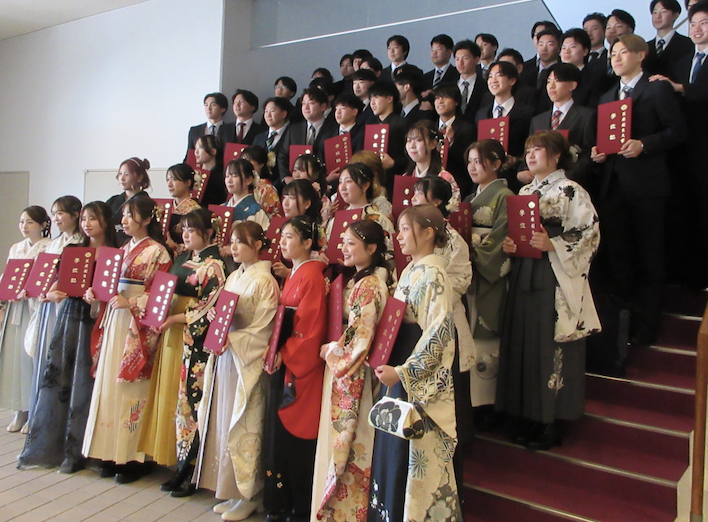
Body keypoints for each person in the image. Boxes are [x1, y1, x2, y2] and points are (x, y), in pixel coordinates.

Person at [498, 131, 601, 450]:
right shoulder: (525, 190)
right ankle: (528, 414)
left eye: (538, 150)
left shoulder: (571, 189)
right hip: (526, 269)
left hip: (554, 272)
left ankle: (551, 420)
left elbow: (589, 233)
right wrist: (512, 244)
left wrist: (553, 243)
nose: (530, 155)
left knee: (549, 341)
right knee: (526, 339)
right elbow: (520, 232)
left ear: (557, 155)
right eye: (527, 150)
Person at [591, 34, 686, 346]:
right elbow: (604, 139)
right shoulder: (607, 97)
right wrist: (598, 152)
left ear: (641, 55)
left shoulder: (656, 88)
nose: (616, 58)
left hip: (647, 186)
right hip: (613, 186)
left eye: (622, 52)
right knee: (619, 256)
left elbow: (677, 131)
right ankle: (622, 324)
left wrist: (645, 144)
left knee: (649, 256)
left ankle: (648, 326)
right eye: (613, 54)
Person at [368, 204, 460, 522]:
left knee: (411, 451)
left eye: (406, 229)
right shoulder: (410, 270)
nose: (399, 236)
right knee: (392, 448)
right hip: (398, 367)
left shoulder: (434, 274)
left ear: (428, 232)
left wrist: (404, 372)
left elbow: (438, 333)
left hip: (412, 375)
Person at [18, 202, 116, 473]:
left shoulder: (116, 253)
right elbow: (54, 284)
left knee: (92, 381)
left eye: (92, 219)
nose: (87, 224)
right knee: (65, 378)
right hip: (72, 317)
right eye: (84, 219)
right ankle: (65, 448)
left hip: (102, 320)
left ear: (106, 221)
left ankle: (91, 449)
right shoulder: (74, 250)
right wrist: (50, 294)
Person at [82, 195, 172, 484]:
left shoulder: (159, 252)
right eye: (123, 215)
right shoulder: (122, 249)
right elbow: (106, 285)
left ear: (147, 219)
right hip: (115, 318)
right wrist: (95, 293)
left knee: (132, 389)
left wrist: (132, 302)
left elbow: (160, 296)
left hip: (137, 325)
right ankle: (109, 451)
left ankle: (134, 456)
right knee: (110, 383)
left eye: (130, 215)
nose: (124, 220)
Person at [198, 221, 279, 521]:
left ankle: (251, 493)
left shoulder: (265, 281)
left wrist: (232, 338)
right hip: (228, 355)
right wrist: (217, 319)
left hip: (246, 360)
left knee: (246, 424)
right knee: (225, 421)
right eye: (231, 241)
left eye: (240, 242)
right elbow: (225, 312)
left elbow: (263, 328)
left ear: (257, 245)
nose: (233, 247)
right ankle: (233, 491)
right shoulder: (234, 276)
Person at [312, 220, 389, 522]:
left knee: (353, 446)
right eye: (343, 242)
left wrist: (331, 351)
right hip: (350, 372)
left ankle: (343, 513)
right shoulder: (363, 281)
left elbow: (361, 339)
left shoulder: (369, 285)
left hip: (355, 374)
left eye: (351, 243)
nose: (343, 248)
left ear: (371, 248)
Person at [151, 208, 226, 497]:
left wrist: (175, 318)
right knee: (182, 402)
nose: (185, 235)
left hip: (197, 339)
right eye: (183, 229)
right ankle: (181, 466)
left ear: (208, 233)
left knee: (195, 402)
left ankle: (193, 470)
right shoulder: (185, 259)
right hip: (180, 333)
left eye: (192, 230)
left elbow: (209, 308)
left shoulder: (215, 265)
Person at [263, 215, 327, 522]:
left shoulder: (312, 275)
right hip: (286, 358)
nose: (283, 242)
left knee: (297, 437)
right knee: (281, 435)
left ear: (308, 242)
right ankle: (282, 501)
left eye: (290, 237)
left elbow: (310, 329)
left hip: (300, 366)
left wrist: (285, 352)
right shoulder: (296, 273)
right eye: (282, 237)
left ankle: (300, 507)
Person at [410, 176, 474, 486]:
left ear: (437, 202)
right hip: (417, 323)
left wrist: (431, 290)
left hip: (445, 317)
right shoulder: (413, 239)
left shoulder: (453, 240)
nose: (414, 198)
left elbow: (461, 280)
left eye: (420, 194)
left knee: (451, 390)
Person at [463, 140, 514, 426]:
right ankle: (472, 403)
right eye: (470, 161)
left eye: (479, 161)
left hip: (487, 272)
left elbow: (501, 237)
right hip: (472, 272)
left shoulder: (505, 196)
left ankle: (489, 405)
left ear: (496, 164)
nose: (472, 167)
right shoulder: (471, 197)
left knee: (486, 338)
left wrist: (473, 252)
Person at [26, 196, 84, 432]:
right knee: (44, 358)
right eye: (54, 213)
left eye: (61, 213)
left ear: (75, 214)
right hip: (47, 305)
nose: (56, 218)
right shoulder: (52, 244)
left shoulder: (81, 243)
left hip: (67, 305)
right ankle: (38, 414)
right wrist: (41, 293)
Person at [0, 206, 51, 433]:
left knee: (31, 358)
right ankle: (18, 410)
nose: (24, 226)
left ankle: (34, 410)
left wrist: (30, 289)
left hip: (35, 307)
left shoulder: (48, 246)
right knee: (14, 358)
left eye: (30, 222)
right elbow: (8, 275)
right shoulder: (17, 248)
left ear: (43, 225)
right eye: (22, 222)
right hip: (16, 307)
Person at [526, 63, 597, 193]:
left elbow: (588, 154)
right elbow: (530, 150)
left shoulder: (587, 115)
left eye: (557, 81)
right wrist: (523, 171)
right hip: (541, 187)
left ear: (572, 85)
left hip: (572, 185)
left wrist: (563, 177)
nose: (551, 86)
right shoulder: (538, 120)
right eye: (549, 81)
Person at [477, 60, 535, 193]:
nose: (493, 80)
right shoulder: (481, 114)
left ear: (512, 80)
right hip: (487, 179)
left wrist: (516, 161)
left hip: (514, 179)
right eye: (490, 76)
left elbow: (530, 146)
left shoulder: (527, 113)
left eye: (499, 75)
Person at [325, 163, 395, 265]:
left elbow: (391, 253)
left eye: (348, 181)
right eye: (340, 182)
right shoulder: (336, 220)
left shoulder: (379, 219)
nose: (342, 187)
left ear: (365, 185)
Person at [277, 88, 338, 185]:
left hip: (326, 184)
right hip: (297, 185)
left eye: (311, 103)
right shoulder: (294, 129)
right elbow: (283, 155)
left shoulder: (335, 129)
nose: (306, 107)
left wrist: (325, 180)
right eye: (303, 103)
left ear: (323, 106)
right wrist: (286, 177)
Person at [405, 120, 462, 207]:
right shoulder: (406, 177)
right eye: (409, 140)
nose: (412, 146)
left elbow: (453, 209)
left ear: (432, 144)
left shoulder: (444, 178)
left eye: (418, 140)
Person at [433, 84, 476, 198]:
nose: (440, 101)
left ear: (456, 102)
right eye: (437, 98)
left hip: (458, 184)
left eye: (445, 97)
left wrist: (451, 143)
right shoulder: (430, 128)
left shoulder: (467, 128)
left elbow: (467, 160)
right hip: (432, 184)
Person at [106, 158, 151, 246]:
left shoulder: (145, 203)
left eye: (126, 174)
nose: (122, 178)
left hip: (134, 244)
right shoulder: (113, 200)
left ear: (139, 177)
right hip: (112, 244)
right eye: (120, 174)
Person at [253, 97, 293, 193]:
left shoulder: (292, 136)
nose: (268, 114)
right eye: (266, 111)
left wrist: (275, 187)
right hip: (259, 189)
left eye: (272, 111)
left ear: (283, 114)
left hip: (284, 189)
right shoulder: (259, 137)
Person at [164, 164, 202, 257]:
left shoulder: (195, 211)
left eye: (174, 179)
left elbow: (198, 244)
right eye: (168, 180)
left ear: (188, 182)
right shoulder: (165, 208)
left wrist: (175, 246)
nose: (169, 184)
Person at [224, 158, 270, 232]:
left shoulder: (256, 211)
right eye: (227, 176)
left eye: (234, 176)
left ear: (248, 180)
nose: (229, 180)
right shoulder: (223, 207)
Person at [453, 39, 490, 124]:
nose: (460, 63)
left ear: (477, 59)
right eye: (457, 59)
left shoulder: (485, 86)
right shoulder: (449, 86)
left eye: (465, 58)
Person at [240, 145, 282, 218]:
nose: (245, 164)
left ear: (261, 164)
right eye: (243, 160)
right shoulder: (240, 184)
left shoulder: (267, 189)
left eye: (248, 160)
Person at [186, 93, 233, 157]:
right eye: (206, 105)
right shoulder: (195, 131)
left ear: (223, 108)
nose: (208, 108)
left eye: (213, 105)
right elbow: (190, 155)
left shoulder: (231, 130)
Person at [195, 134, 228, 207]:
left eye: (200, 147)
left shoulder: (220, 175)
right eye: (195, 148)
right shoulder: (196, 173)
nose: (196, 152)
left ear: (213, 151)